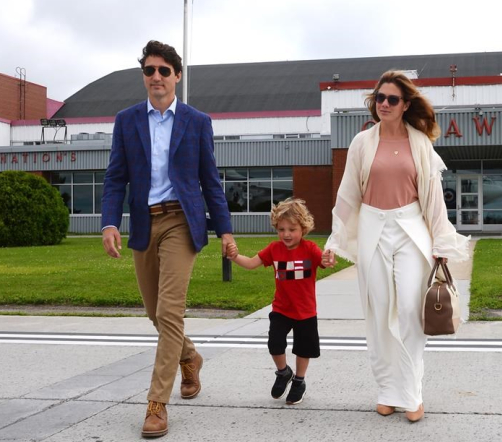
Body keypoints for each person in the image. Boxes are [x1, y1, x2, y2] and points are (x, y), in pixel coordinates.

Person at [101, 40, 235, 438]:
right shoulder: (127, 121)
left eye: (164, 70)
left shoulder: (196, 121)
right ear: (143, 77)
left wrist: (225, 229)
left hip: (181, 221)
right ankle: (190, 357)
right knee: (154, 313)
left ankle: (156, 404)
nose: (156, 77)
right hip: (144, 223)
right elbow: (114, 178)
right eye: (149, 70)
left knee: (170, 311)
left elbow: (210, 180)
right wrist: (110, 223)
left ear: (177, 76)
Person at [322, 70, 469, 423]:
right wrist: (333, 240)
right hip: (373, 227)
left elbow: (433, 200)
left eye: (391, 99)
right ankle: (387, 392)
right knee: (378, 313)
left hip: (410, 230)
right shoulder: (362, 143)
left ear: (405, 105)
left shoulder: (420, 142)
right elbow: (348, 194)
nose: (383, 104)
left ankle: (411, 395)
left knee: (407, 309)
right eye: (379, 98)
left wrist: (441, 242)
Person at [226, 197, 333, 405]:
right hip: (282, 309)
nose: (286, 234)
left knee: (304, 348)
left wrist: (328, 260)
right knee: (275, 343)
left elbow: (324, 261)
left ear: (303, 228)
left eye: (292, 229)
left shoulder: (310, 249)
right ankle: (283, 372)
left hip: (305, 311)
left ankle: (299, 381)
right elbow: (250, 263)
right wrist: (234, 256)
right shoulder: (274, 249)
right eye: (281, 229)